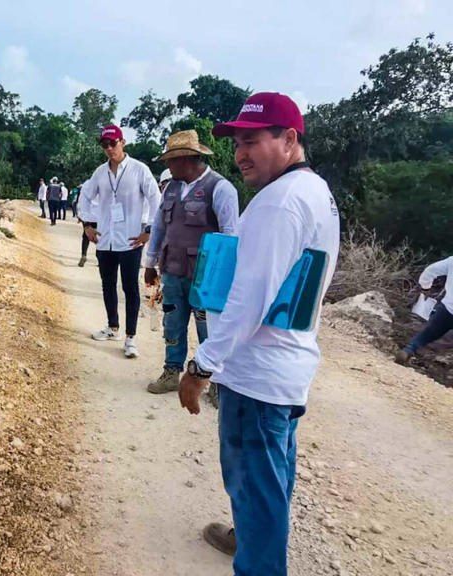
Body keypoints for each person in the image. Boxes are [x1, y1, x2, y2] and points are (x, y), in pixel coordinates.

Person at [177, 93, 340, 576]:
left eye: (252, 141)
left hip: (258, 376)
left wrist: (201, 366)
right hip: (284, 370)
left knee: (255, 489)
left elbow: (250, 299)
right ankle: (249, 538)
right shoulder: (314, 191)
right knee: (272, 482)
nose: (240, 153)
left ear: (289, 139)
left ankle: (258, 556)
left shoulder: (279, 203)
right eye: (237, 143)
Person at [144, 130, 239, 394]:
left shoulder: (221, 189)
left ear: (187, 159)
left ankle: (216, 383)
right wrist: (150, 263)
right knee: (172, 323)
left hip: (206, 280)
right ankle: (171, 371)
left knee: (209, 329)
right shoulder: (171, 188)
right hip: (173, 270)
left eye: (171, 161)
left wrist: (224, 281)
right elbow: (159, 227)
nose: (167, 166)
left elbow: (231, 239)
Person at [81, 124, 161, 358]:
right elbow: (85, 197)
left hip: (130, 240)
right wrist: (87, 225)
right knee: (107, 285)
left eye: (112, 143)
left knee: (129, 288)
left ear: (122, 142)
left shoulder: (139, 170)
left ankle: (131, 337)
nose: (109, 149)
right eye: (104, 145)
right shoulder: (100, 173)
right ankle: (113, 327)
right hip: (105, 240)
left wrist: (149, 229)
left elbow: (156, 199)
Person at [395, 255, 453, 364]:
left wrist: (425, 287)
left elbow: (430, 270)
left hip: (448, 309)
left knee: (427, 333)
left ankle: (409, 350)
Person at [77, 179, 98, 267]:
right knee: (101, 238)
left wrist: (79, 215)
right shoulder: (108, 182)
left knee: (85, 236)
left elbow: (81, 201)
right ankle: (100, 259)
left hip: (88, 216)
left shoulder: (87, 184)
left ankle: (84, 255)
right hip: (101, 217)